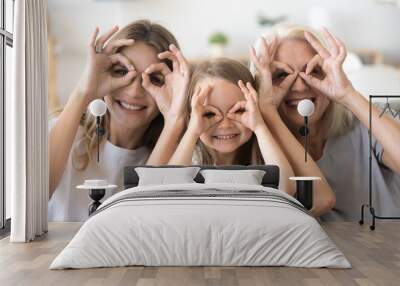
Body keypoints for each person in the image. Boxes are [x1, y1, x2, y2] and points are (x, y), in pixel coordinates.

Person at [252, 25, 400, 219]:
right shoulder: (260, 146)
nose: (299, 85)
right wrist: (267, 109)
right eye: (281, 75)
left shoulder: (367, 122)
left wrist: (347, 94)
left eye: (314, 70)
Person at [49, 20, 190, 221]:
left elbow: (139, 219)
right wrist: (83, 92)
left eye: (154, 78)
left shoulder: (179, 155)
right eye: (122, 71)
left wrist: (175, 119)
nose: (134, 91)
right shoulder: (65, 132)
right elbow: (33, 196)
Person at [169, 58, 296, 195]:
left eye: (239, 110)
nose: (225, 125)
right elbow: (167, 189)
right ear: (191, 118)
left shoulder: (266, 152)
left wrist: (260, 127)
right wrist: (192, 132)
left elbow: (286, 190)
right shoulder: (191, 157)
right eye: (209, 114)